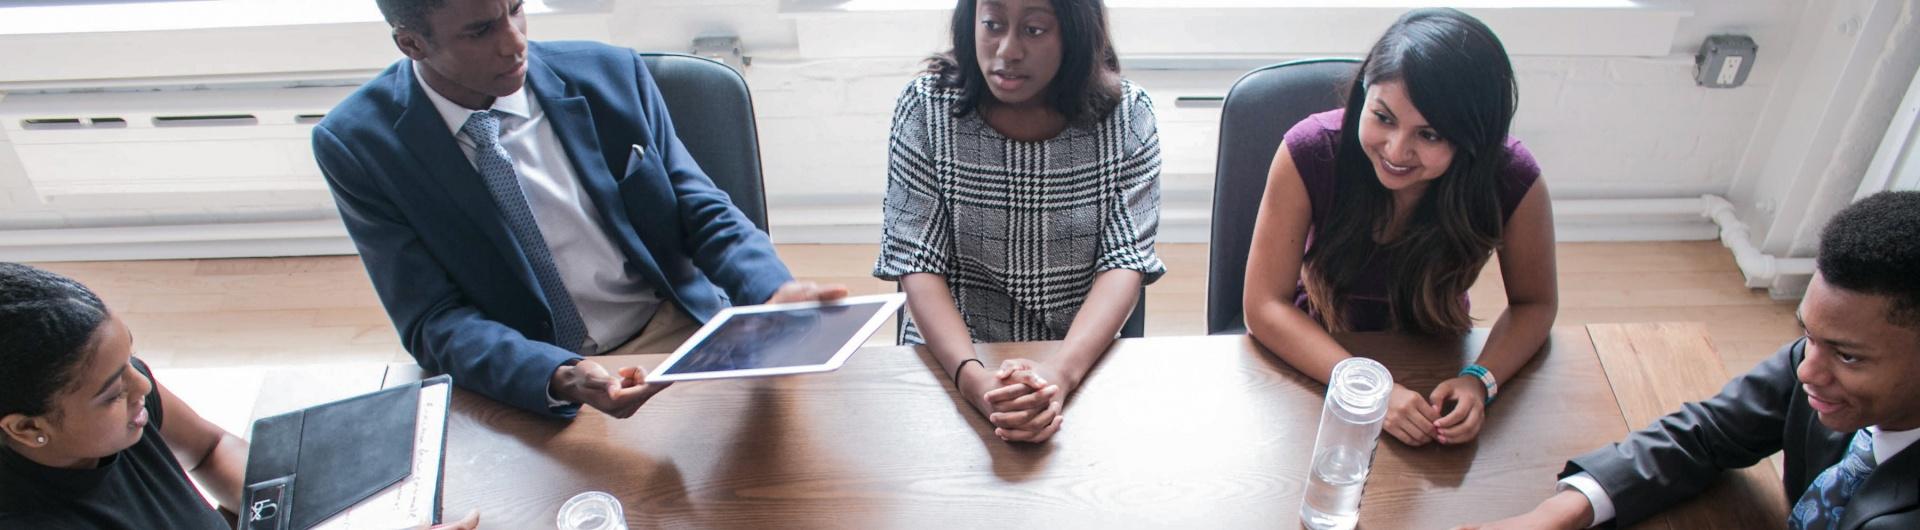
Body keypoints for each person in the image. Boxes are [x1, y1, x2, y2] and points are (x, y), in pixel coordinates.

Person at [314, 0, 845, 419]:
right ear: (410, 42)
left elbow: (699, 206)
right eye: (480, 31)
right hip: (530, 367)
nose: (515, 42)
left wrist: (770, 288)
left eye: (517, 8)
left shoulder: (613, 74)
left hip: (677, 328)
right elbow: (434, 321)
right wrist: (558, 374)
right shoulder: (357, 145)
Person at [1458, 191, 1920, 530]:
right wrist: (1558, 513)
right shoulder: (1819, 365)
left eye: (1848, 356)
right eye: (1807, 334)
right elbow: (1707, 432)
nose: (1807, 371)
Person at [1241, 8, 1556, 448]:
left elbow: (1535, 303)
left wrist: (1479, 380)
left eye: (1429, 135)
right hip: (1317, 352)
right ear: (1364, 92)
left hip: (1438, 362)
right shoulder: (1310, 150)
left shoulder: (1512, 177)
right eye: (1383, 117)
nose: (1396, 149)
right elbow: (1263, 306)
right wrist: (1362, 386)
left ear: (1473, 140)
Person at [873, 0, 1165, 444]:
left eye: (1033, 30)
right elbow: (918, 262)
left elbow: (1124, 262)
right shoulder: (925, 108)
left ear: (1075, 32)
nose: (1006, 50)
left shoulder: (1129, 116)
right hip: (952, 358)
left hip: (1079, 358)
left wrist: (1059, 376)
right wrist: (973, 379)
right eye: (991, 24)